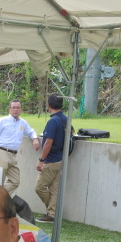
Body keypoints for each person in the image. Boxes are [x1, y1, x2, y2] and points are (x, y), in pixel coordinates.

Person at [0, 99, 40, 196]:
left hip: (13, 156)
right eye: (13, 108)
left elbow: (30, 131)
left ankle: (0, 197)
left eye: (18, 108)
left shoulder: (23, 123)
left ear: (21, 110)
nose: (15, 110)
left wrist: (35, 138)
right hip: (2, 153)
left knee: (15, 181)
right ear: (9, 109)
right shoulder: (3, 121)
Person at [35, 93, 66, 223]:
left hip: (51, 160)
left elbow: (48, 142)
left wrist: (41, 160)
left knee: (39, 187)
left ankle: (52, 212)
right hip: (60, 158)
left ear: (49, 106)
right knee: (54, 189)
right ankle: (52, 214)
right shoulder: (65, 118)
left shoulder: (53, 121)